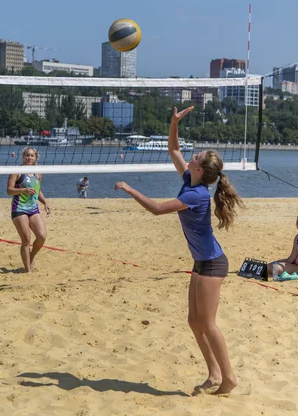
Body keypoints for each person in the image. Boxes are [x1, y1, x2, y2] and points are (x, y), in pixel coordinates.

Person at [114, 106, 243, 395]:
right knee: (193, 320)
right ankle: (213, 374)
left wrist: (130, 189)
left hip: (213, 263)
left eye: (195, 157)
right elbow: (173, 150)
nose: (192, 155)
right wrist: (173, 122)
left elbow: (158, 210)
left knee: (208, 323)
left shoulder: (195, 194)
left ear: (200, 169)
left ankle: (230, 377)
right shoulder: (191, 180)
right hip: (201, 262)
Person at [7, 147, 51, 273]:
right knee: (26, 239)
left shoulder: (38, 173)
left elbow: (37, 190)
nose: (29, 158)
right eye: (27, 155)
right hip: (19, 208)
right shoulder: (17, 171)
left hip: (33, 209)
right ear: (23, 157)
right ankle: (28, 271)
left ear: (36, 157)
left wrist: (45, 202)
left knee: (42, 236)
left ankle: (31, 257)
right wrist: (23, 190)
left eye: (32, 156)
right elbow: (9, 190)